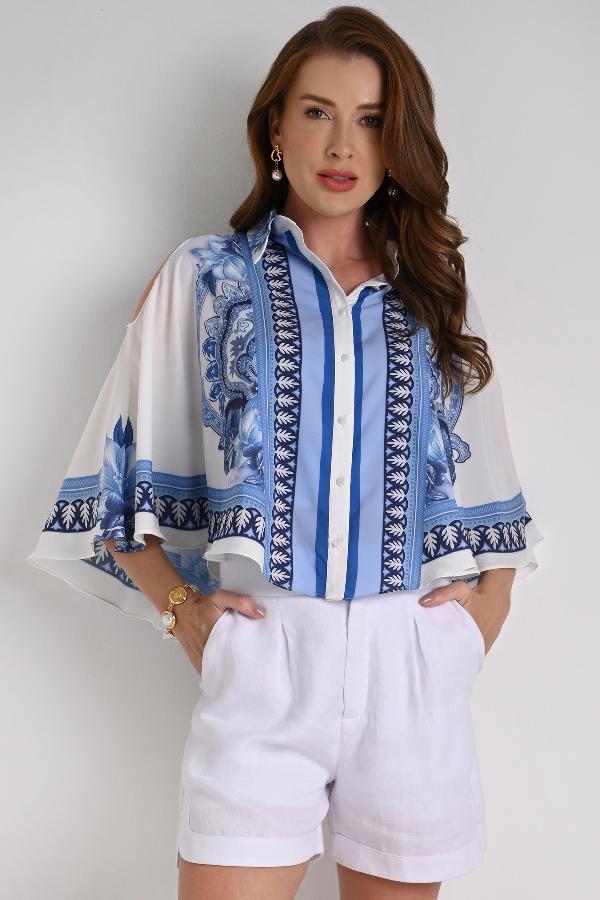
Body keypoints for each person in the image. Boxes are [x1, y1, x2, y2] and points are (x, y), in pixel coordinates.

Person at [27, 6, 544, 899]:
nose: (342, 144)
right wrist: (183, 611)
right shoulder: (203, 276)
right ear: (275, 127)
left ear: (397, 143)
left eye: (371, 120)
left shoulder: (434, 294)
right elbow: (114, 495)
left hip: (410, 668)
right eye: (317, 112)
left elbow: (494, 495)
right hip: (265, 661)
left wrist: (474, 625)